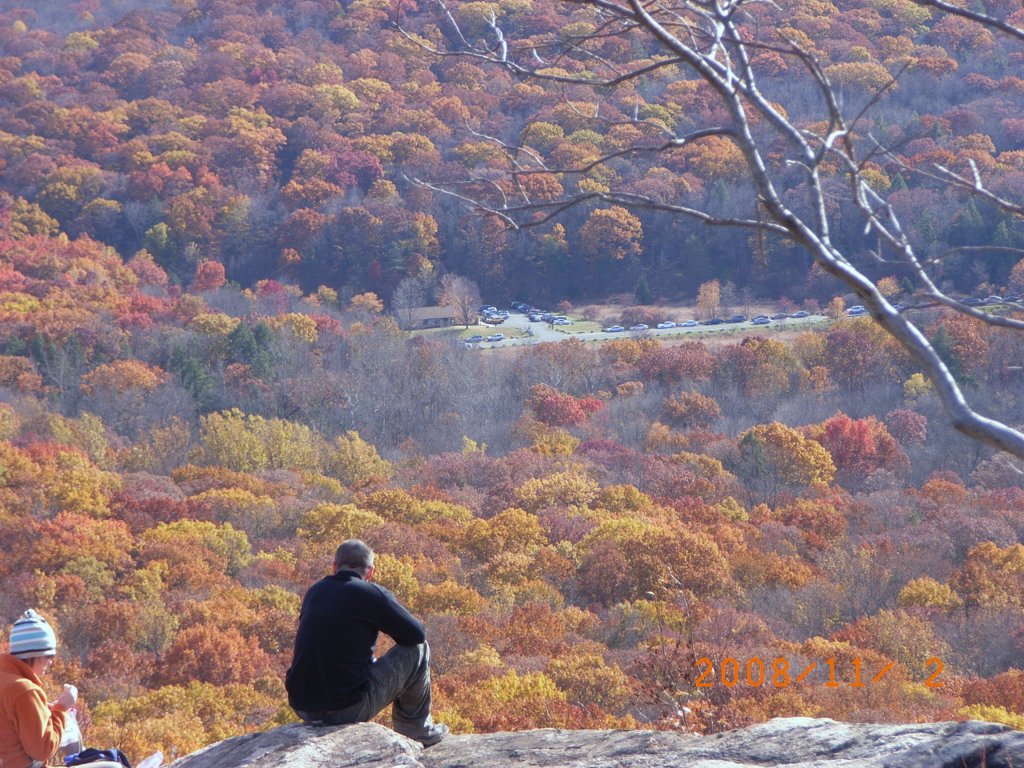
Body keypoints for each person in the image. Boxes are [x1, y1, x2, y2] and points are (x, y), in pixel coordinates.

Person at [286, 539, 448, 747]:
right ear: (370, 572)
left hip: (303, 705)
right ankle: (416, 731)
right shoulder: (371, 594)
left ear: (335, 567)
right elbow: (416, 635)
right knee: (419, 649)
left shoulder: (315, 592)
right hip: (346, 708)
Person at [0, 609, 78, 768]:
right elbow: (42, 750)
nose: (50, 662)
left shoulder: (6, 678)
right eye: (49, 656)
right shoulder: (25, 690)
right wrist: (62, 708)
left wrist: (42, 710)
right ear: (34, 654)